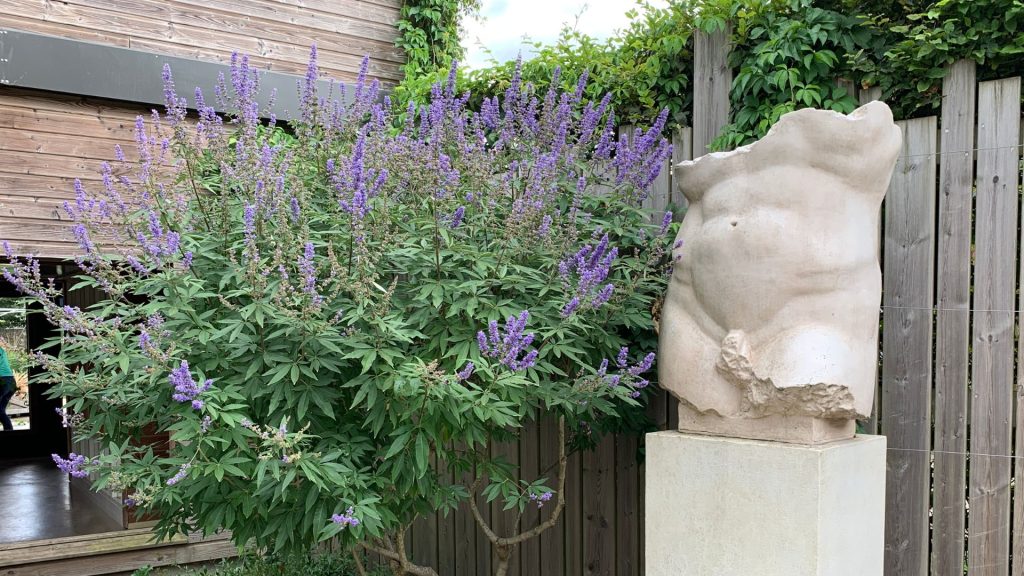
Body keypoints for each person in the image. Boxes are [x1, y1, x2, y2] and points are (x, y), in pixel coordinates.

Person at [0, 345, 15, 431]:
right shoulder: (1, 350)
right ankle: (9, 431)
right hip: (11, 382)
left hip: (3, 380)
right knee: (0, 411)